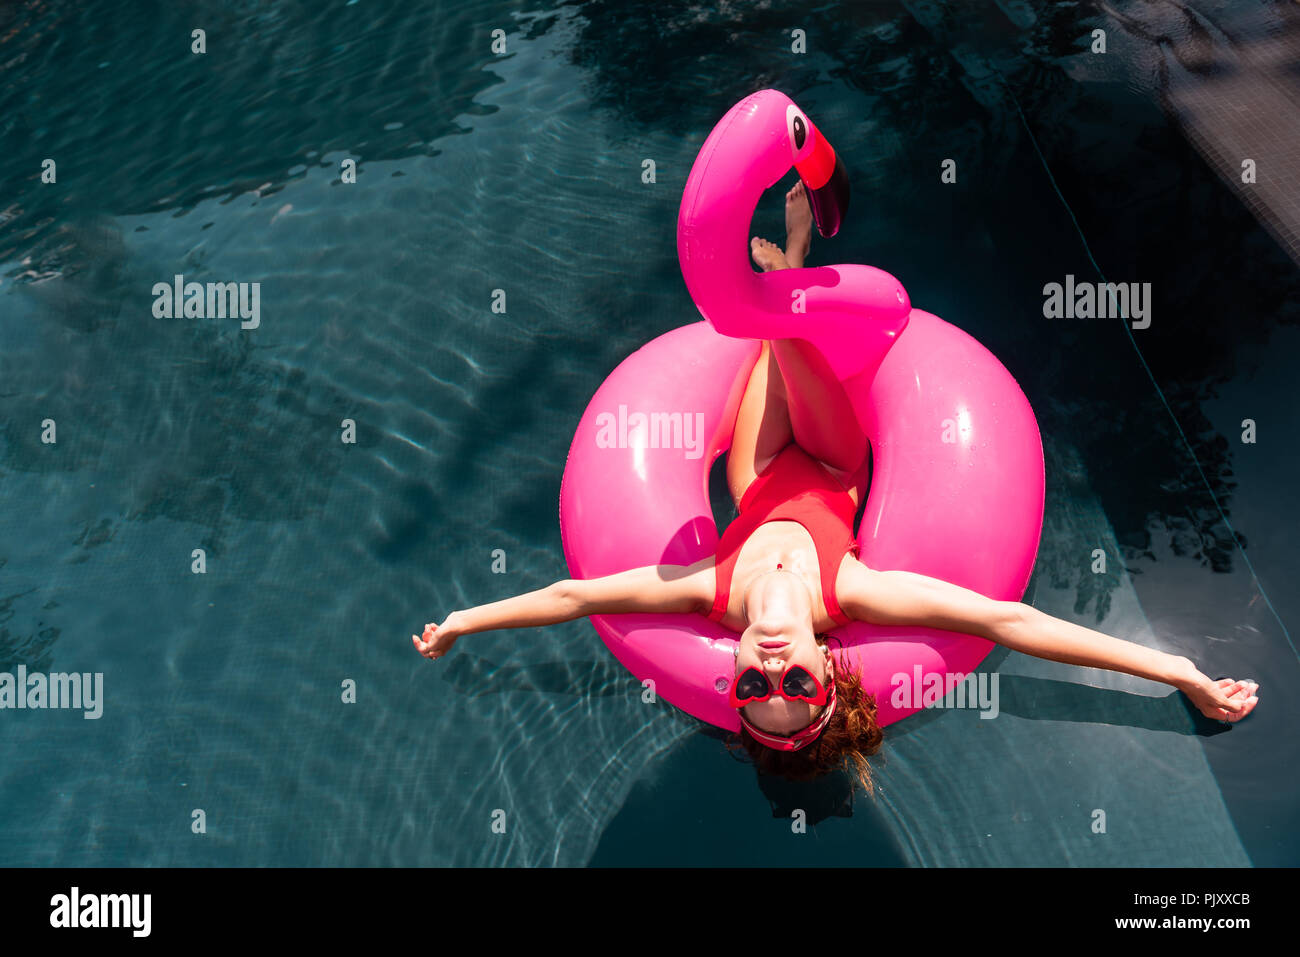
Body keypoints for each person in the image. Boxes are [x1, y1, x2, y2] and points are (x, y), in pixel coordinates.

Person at [414, 182, 1258, 792]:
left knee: (752, 341)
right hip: (827, 456)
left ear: (732, 673)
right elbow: (1014, 622)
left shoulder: (707, 590)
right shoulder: (849, 590)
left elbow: (570, 595)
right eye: (796, 689)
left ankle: (778, 281)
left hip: (752, 473)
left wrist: (461, 621)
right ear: (830, 668)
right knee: (775, 334)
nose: (771, 674)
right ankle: (788, 269)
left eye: (752, 689)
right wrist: (1178, 670)